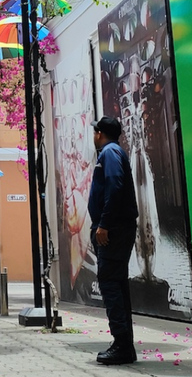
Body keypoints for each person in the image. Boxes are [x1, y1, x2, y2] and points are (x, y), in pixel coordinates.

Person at [88, 116, 139, 365]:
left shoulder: (109, 152)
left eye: (94, 132)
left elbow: (115, 186)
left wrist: (104, 224)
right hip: (118, 227)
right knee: (117, 284)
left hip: (114, 229)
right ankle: (124, 346)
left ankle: (121, 345)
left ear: (99, 133)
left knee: (110, 282)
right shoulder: (114, 151)